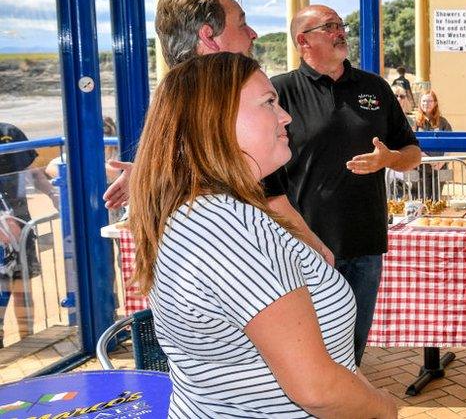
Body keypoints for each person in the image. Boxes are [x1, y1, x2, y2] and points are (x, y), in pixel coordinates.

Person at [128, 53, 397, 417]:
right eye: (269, 103)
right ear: (215, 121)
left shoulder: (199, 211)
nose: (286, 116)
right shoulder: (232, 229)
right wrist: (386, 409)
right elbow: (316, 389)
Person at [101, 0, 334, 264]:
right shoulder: (229, 107)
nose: (253, 34)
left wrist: (148, 173)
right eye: (242, 24)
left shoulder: (173, 100)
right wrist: (318, 252)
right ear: (209, 37)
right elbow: (272, 198)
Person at [265, 4, 421, 366]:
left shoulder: (375, 88)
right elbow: (262, 175)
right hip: (303, 249)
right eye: (330, 26)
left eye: (342, 25)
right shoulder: (280, 92)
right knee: (307, 355)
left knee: (352, 351)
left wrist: (389, 160)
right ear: (304, 40)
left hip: (365, 245)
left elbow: (413, 153)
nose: (341, 32)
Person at [0, 122, 56, 348]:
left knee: (23, 283)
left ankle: (28, 339)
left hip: (21, 220)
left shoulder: (10, 132)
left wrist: (53, 193)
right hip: (5, 223)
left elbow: (31, 172)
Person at [414, 90, 452, 201]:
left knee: (436, 199)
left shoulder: (443, 122)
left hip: (439, 167)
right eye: (424, 101)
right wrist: (426, 158)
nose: (426, 104)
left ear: (435, 103)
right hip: (421, 167)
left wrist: (442, 161)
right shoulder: (415, 122)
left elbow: (450, 143)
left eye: (429, 101)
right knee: (423, 199)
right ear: (420, 103)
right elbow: (411, 142)